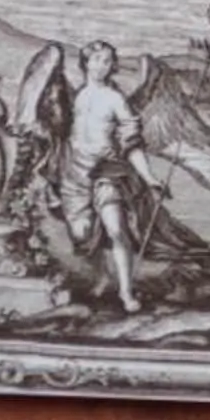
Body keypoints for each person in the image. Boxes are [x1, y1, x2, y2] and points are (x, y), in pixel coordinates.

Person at [60, 42, 173, 314]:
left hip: (106, 170)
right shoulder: (76, 97)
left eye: (109, 61)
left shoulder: (115, 99)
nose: (104, 65)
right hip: (74, 172)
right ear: (86, 63)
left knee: (115, 229)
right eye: (98, 59)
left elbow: (132, 143)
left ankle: (125, 291)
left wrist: (150, 178)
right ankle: (102, 277)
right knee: (82, 232)